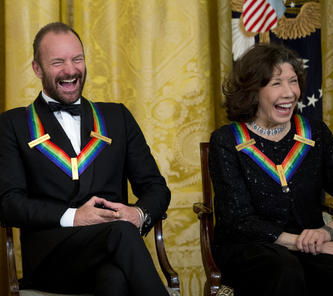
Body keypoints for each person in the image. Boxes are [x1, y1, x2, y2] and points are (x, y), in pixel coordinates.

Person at [0, 22, 171, 296]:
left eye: (77, 59)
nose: (70, 70)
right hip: (52, 259)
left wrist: (137, 214)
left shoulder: (118, 118)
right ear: (37, 68)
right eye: (58, 62)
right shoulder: (13, 124)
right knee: (121, 232)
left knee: (114, 280)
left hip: (110, 254)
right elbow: (9, 204)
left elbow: (155, 188)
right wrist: (74, 217)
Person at [209, 43, 333, 296]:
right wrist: (301, 243)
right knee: (285, 270)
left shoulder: (315, 133)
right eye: (276, 83)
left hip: (310, 244)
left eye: (293, 81)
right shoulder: (226, 140)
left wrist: (327, 232)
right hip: (249, 247)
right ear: (253, 90)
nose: (289, 93)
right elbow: (238, 220)